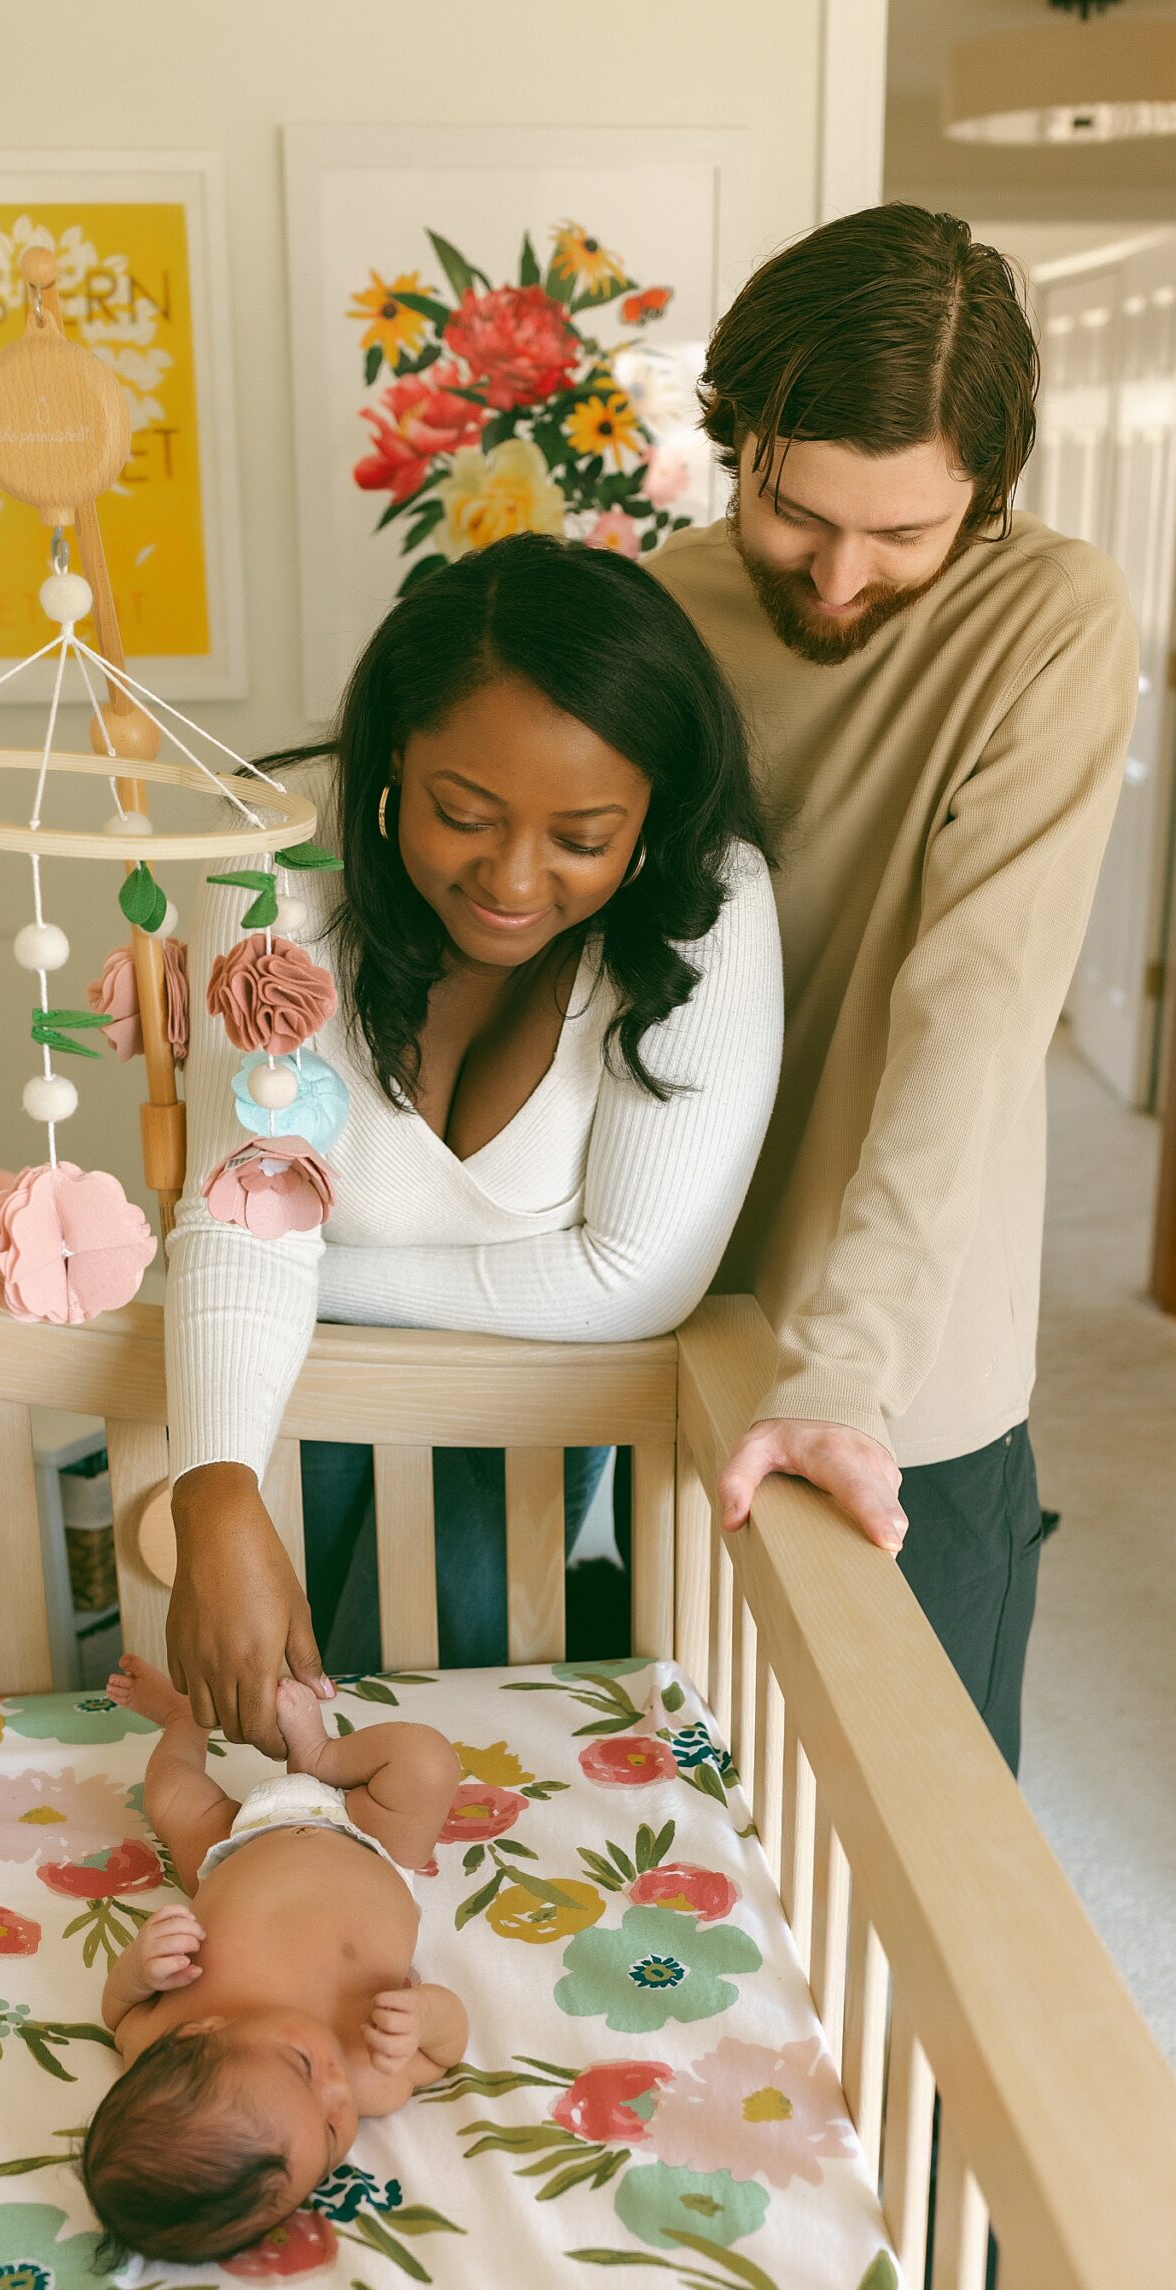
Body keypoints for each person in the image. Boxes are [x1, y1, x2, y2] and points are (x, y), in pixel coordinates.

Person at [651, 203, 1140, 1772]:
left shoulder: (1049, 619)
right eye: (795, 512)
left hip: (899, 1353)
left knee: (921, 1825)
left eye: (905, 534)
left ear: (985, 497)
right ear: (735, 441)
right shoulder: (660, 612)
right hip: (652, 1299)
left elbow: (975, 1009)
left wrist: (846, 1370)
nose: (842, 575)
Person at [166, 533, 783, 1745]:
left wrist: (298, 1277)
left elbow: (632, 1281)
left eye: (584, 838)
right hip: (273, 1389)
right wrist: (217, 1484)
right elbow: (251, 1203)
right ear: (393, 756)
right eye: (463, 814)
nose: (512, 878)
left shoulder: (715, 904)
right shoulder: (271, 861)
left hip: (519, 1437)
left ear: (652, 808)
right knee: (247, 1747)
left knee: (470, 1739)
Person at [81, 1654, 466, 2263]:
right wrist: (425, 2017)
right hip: (371, 1840)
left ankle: (208, 1727)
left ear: (204, 2032)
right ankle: (315, 1760)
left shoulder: (162, 2037)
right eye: (336, 2132)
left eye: (301, 2068)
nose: (336, 2090)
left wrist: (138, 1969)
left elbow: (116, 2014)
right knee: (426, 1761)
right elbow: (445, 2052)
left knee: (172, 1795)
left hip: (230, 1846)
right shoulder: (372, 2072)